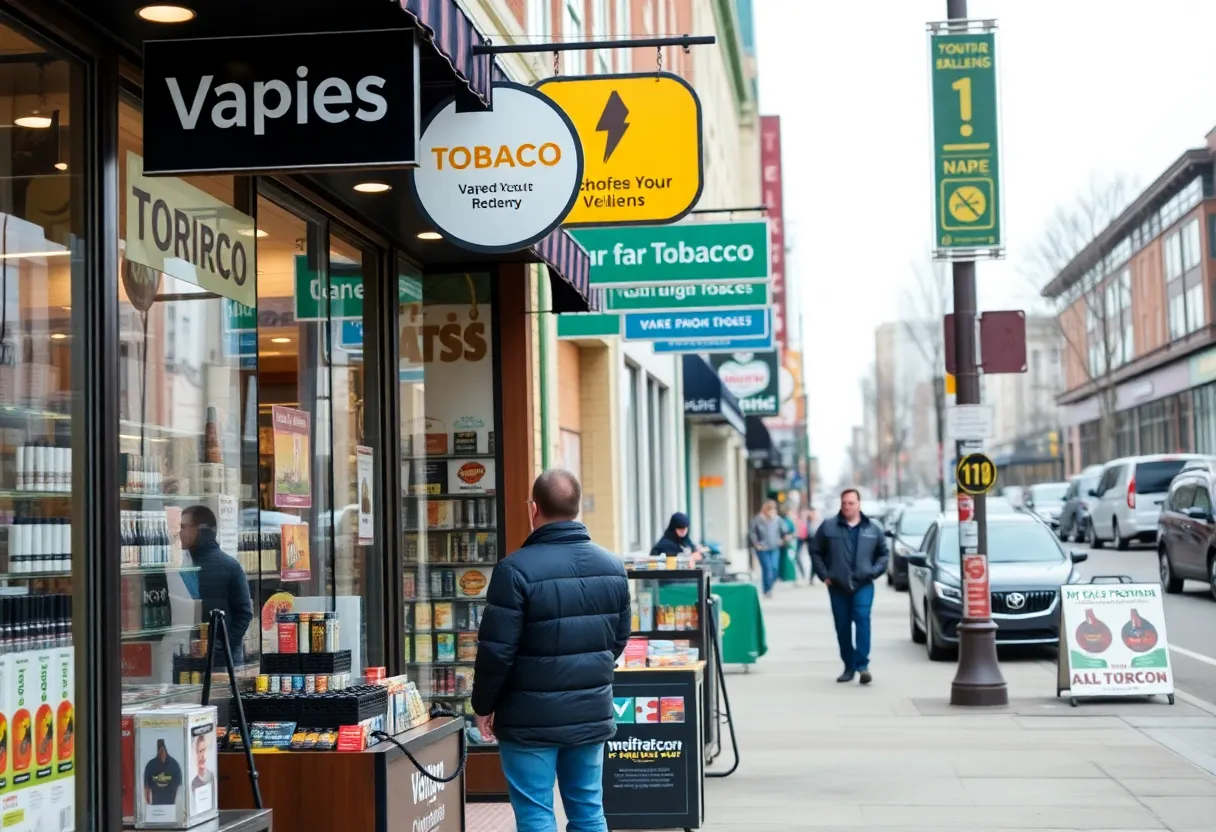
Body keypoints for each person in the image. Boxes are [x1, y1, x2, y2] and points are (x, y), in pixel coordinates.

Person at [471, 469, 631, 832]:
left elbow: (496, 652)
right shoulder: (612, 566)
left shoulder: (514, 570)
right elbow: (618, 640)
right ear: (576, 509)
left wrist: (483, 706)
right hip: (590, 711)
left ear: (534, 509)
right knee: (589, 811)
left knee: (535, 814)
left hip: (528, 718)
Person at [810, 488, 889, 684]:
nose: (847, 506)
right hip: (837, 585)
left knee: (862, 619)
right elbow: (815, 551)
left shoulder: (873, 528)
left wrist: (874, 571)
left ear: (859, 504)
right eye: (844, 503)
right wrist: (824, 575)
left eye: (851, 503)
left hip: (863, 583)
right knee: (843, 626)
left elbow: (884, 554)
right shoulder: (829, 526)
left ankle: (862, 666)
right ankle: (848, 666)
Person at [179, 505, 254, 663]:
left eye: (183, 527)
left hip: (223, 662)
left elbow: (245, 613)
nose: (179, 533)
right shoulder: (185, 565)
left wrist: (223, 648)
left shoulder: (229, 566)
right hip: (191, 658)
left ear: (201, 530)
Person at [749, 500, 784, 598]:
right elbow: (752, 533)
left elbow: (784, 530)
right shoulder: (758, 519)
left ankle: (769, 587)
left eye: (773, 510)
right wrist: (756, 544)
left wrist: (782, 540)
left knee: (775, 569)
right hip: (763, 549)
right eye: (770, 510)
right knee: (767, 568)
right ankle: (767, 590)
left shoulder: (777, 520)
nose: (772, 512)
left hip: (774, 547)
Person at [144, 738, 183, 807]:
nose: (162, 751)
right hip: (155, 804)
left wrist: (175, 803)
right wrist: (147, 803)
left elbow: (178, 786)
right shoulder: (151, 765)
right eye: (160, 749)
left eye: (163, 748)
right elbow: (146, 786)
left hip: (170, 804)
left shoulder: (174, 764)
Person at [777, 503, 799, 583]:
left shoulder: (787, 521)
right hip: (785, 543)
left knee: (789, 559)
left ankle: (788, 576)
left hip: (789, 543)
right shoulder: (784, 520)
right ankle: (785, 576)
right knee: (786, 560)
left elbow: (793, 532)